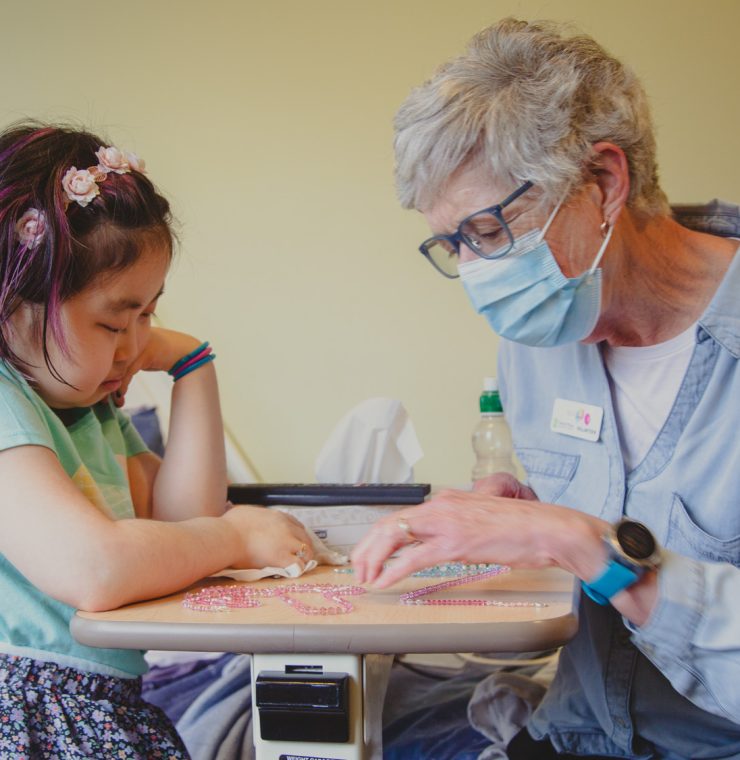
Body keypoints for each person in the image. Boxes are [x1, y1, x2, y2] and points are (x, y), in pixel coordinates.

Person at [352, 18, 740, 760]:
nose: (474, 271)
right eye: (452, 245)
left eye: (490, 231)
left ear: (603, 182)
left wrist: (573, 538)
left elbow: (593, 547)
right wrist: (524, 518)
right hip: (577, 730)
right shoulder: (540, 338)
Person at [0, 122, 314, 759]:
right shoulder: (9, 406)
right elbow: (95, 567)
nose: (136, 344)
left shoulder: (86, 412)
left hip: (99, 702)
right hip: (30, 713)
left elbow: (179, 523)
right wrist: (235, 535)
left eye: (149, 314)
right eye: (115, 320)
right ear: (12, 303)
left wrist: (193, 364)